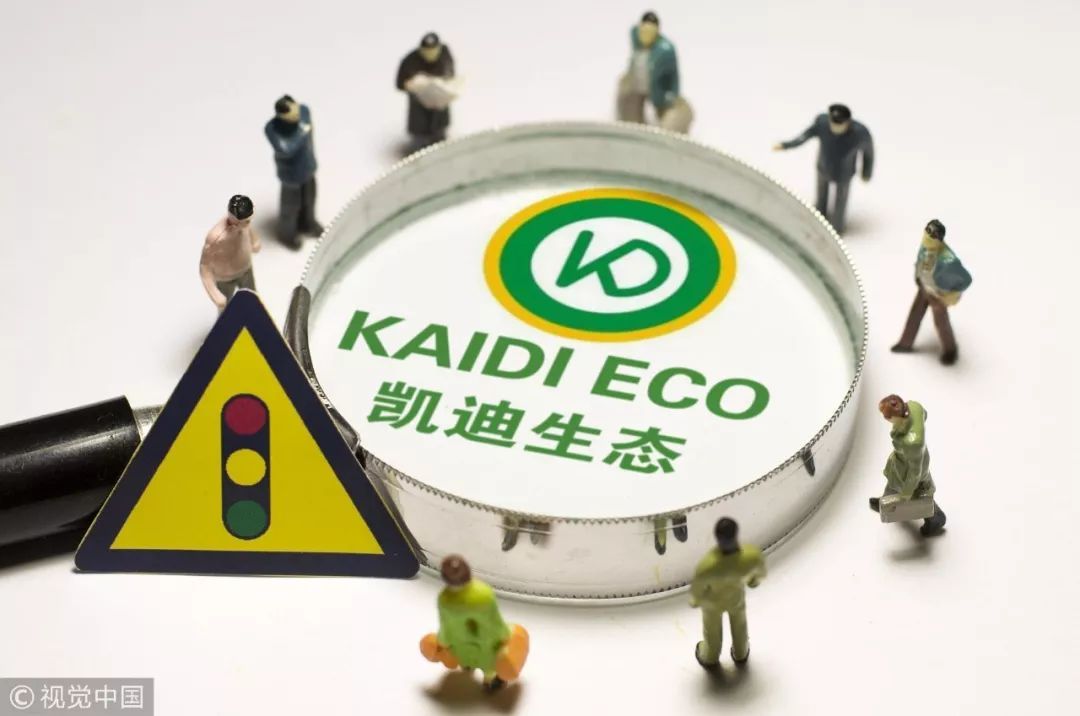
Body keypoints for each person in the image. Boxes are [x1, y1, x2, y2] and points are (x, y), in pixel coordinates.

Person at [420, 555, 529, 691]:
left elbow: (446, 626)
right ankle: (489, 680)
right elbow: (493, 621)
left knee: (475, 659)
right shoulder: (482, 594)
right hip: (482, 642)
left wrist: (444, 640)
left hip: (467, 642)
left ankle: (481, 674)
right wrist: (503, 634)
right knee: (487, 662)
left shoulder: (446, 599)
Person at [773, 104, 874, 234]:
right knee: (821, 197)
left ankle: (837, 227)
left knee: (840, 201)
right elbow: (805, 136)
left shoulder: (860, 134)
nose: (836, 128)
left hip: (843, 173)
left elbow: (868, 153)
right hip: (823, 167)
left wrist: (866, 172)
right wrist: (786, 145)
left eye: (840, 125)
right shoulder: (822, 124)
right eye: (834, 124)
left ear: (847, 123)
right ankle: (819, 218)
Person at [890, 220, 973, 365]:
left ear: (939, 238)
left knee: (941, 322)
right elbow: (920, 262)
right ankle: (905, 343)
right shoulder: (925, 246)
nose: (928, 235)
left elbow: (966, 279)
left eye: (933, 234)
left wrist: (949, 294)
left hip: (937, 295)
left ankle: (950, 350)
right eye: (927, 231)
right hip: (924, 288)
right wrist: (918, 277)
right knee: (914, 315)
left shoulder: (948, 258)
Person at [690, 518, 766, 669]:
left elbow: (697, 587)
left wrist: (696, 600)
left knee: (712, 630)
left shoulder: (708, 565)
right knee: (740, 625)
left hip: (712, 602)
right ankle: (741, 652)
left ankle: (710, 655)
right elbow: (759, 573)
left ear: (717, 537)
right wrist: (753, 582)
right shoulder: (750, 556)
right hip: (735, 598)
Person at [871, 394, 947, 536]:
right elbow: (925, 414)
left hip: (910, 468)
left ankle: (936, 517)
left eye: (886, 417)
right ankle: (884, 502)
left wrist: (906, 493)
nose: (885, 419)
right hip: (902, 461)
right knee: (893, 483)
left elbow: (915, 472)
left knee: (920, 493)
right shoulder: (914, 406)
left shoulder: (912, 443)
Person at [615, 11, 693, 134]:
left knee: (672, 122)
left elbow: (674, 75)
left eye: (649, 32)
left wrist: (672, 95)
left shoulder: (665, 50)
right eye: (643, 31)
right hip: (636, 86)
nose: (645, 35)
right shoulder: (635, 36)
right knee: (629, 112)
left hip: (659, 90)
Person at [264, 95, 322, 248]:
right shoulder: (272, 128)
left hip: (308, 166)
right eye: (292, 115)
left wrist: (302, 132)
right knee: (290, 207)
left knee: (310, 199)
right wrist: (303, 132)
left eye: (296, 112)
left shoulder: (303, 112)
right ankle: (287, 234)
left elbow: (306, 121)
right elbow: (285, 148)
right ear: (281, 115)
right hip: (290, 175)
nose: (297, 116)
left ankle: (308, 224)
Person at [199, 195, 260, 311]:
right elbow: (204, 267)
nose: (249, 223)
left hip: (246, 271)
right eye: (246, 221)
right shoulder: (216, 238)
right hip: (225, 279)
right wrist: (215, 294)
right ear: (236, 221)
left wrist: (255, 241)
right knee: (226, 312)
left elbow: (249, 229)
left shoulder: (245, 224)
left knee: (253, 303)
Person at [396, 33, 456, 147]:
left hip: (439, 110)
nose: (430, 55)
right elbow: (400, 83)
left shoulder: (444, 56)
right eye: (427, 51)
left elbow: (451, 74)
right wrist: (414, 85)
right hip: (419, 111)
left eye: (433, 51)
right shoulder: (410, 61)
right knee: (420, 142)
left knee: (440, 140)